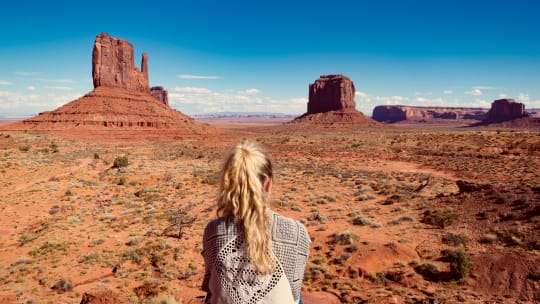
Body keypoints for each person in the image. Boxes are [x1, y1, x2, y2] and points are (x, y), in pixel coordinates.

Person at [201, 140, 310, 304]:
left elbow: (209, 286)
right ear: (268, 183)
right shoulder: (297, 232)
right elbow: (294, 294)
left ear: (228, 184)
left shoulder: (214, 230)